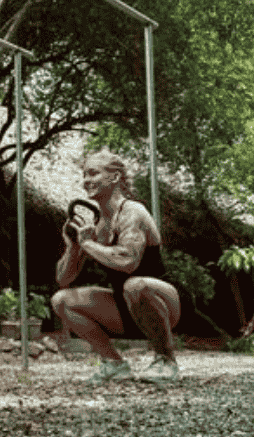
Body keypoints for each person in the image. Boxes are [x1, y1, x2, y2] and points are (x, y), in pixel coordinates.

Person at [52, 150, 181, 383]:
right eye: (84, 174)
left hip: (162, 303)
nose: (86, 181)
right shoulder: (97, 224)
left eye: (93, 173)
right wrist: (73, 247)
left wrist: (88, 244)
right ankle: (114, 364)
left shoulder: (133, 212)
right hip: (125, 309)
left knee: (135, 285)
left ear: (114, 177)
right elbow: (63, 279)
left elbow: (127, 262)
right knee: (62, 300)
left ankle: (166, 360)